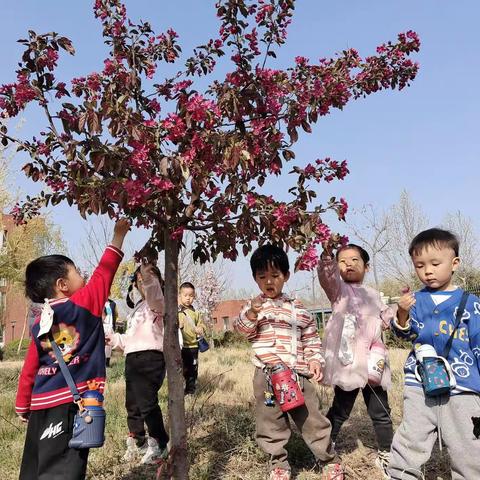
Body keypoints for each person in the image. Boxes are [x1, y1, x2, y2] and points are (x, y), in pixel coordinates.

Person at [15, 218, 130, 480]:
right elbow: (105, 271)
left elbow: (31, 365)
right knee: (63, 468)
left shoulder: (39, 320)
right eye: (77, 271)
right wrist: (118, 235)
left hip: (41, 405)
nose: (85, 276)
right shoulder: (84, 303)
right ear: (62, 284)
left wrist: (23, 405)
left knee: (35, 465)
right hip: (70, 404)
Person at [235, 244, 341, 480]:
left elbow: (311, 338)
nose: (269, 281)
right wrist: (252, 313)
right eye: (262, 277)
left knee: (311, 417)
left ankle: (328, 459)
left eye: (275, 275)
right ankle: (278, 464)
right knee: (270, 421)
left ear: (286, 276)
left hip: (298, 374)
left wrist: (314, 360)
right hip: (267, 376)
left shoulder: (298, 308)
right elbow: (242, 329)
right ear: (255, 279)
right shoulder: (254, 307)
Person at [387, 228, 480, 480]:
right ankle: (401, 474)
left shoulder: (470, 303)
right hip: (420, 382)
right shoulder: (415, 301)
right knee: (412, 436)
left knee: (468, 444)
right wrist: (403, 314)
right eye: (420, 265)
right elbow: (403, 335)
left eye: (435, 263)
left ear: (454, 263)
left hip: (462, 387)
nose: (427, 271)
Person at [317, 243, 394, 477]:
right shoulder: (338, 291)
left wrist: (389, 316)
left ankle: (387, 453)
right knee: (341, 410)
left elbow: (385, 317)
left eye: (355, 260)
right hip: (348, 362)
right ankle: (324, 449)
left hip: (373, 363)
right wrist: (328, 258)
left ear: (366, 267)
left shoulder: (373, 294)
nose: (348, 264)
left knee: (381, 410)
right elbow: (327, 278)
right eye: (343, 261)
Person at [106, 262, 168, 464]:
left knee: (147, 403)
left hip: (150, 358)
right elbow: (129, 340)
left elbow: (154, 292)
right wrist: (113, 339)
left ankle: (159, 444)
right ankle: (137, 441)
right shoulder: (137, 310)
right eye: (139, 280)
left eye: (148, 278)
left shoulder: (159, 303)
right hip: (132, 359)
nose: (143, 282)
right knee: (132, 405)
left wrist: (146, 269)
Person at [178, 282, 205, 395]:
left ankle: (191, 391)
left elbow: (202, 325)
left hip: (193, 347)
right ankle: (181, 391)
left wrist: (200, 328)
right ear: (180, 296)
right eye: (185, 295)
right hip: (180, 347)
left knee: (192, 370)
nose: (188, 298)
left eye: (191, 295)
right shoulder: (177, 312)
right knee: (181, 370)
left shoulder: (196, 313)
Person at [102, 298, 117, 367]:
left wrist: (114, 326)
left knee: (109, 345)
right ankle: (101, 362)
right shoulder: (100, 301)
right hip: (102, 326)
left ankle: (107, 363)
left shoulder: (112, 303)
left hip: (110, 326)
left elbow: (115, 315)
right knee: (102, 345)